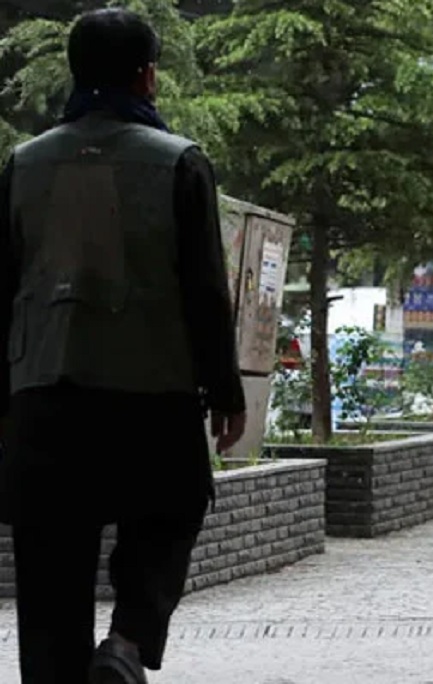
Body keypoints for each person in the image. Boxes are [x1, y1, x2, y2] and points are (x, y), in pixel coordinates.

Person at [0, 9, 246, 683]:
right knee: (174, 508)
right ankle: (129, 641)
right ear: (147, 76)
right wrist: (225, 392)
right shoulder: (178, 162)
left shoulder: (22, 165)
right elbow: (204, 291)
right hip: (152, 398)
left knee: (50, 571)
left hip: (43, 399)